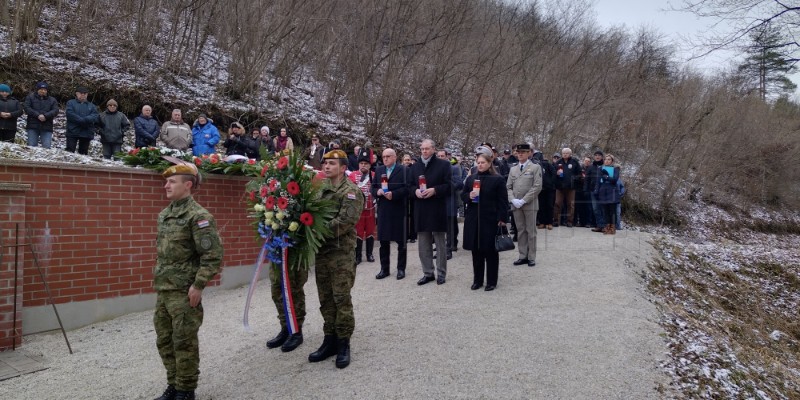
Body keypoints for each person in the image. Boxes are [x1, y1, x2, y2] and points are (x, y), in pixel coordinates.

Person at [152, 162, 223, 400]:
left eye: (172, 181)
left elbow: (212, 256)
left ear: (188, 185)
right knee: (164, 340)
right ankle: (173, 384)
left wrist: (198, 285)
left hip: (184, 291)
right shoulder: (165, 215)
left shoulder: (199, 217)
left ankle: (186, 389)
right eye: (167, 181)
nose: (167, 185)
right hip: (164, 289)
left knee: (184, 343)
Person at [308, 149, 364, 369]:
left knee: (341, 298)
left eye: (332, 163)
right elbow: (310, 212)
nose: (327, 166)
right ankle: (329, 339)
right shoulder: (320, 190)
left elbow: (344, 222)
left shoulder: (351, 192)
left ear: (343, 167)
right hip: (322, 253)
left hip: (340, 255)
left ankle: (343, 343)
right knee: (325, 299)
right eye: (325, 163)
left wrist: (314, 229)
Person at [462, 153, 509, 291]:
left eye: (483, 162)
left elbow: (503, 201)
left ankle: (492, 281)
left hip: (490, 219)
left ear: (490, 163)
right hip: (473, 219)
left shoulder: (498, 179)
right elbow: (463, 195)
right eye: (478, 162)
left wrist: (502, 219)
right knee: (475, 251)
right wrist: (468, 196)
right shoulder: (471, 178)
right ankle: (477, 280)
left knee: (490, 251)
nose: (480, 165)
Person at [410, 139, 451, 286]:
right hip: (421, 208)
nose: (424, 152)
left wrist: (435, 190)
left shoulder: (444, 165)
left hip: (437, 207)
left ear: (433, 149)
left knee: (439, 243)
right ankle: (427, 273)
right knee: (423, 244)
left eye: (427, 149)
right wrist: (415, 191)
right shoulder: (415, 167)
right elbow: (409, 186)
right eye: (422, 149)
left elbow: (449, 186)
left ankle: (441, 272)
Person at [371, 148, 410, 280]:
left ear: (395, 157)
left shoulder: (404, 170)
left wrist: (394, 194)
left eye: (388, 156)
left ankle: (401, 269)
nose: (385, 158)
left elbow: (408, 188)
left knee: (401, 242)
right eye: (383, 156)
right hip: (384, 210)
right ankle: (384, 269)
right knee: (384, 242)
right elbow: (373, 187)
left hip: (398, 209)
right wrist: (378, 192)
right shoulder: (379, 170)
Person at [506, 144, 542, 267]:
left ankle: (531, 256)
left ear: (529, 153)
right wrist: (513, 200)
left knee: (531, 231)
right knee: (521, 230)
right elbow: (508, 187)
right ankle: (522, 255)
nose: (520, 154)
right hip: (516, 205)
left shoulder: (535, 167)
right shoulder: (513, 169)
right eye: (518, 152)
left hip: (530, 204)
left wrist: (524, 200)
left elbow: (537, 186)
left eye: (523, 152)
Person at [350, 156, 376, 264]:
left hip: (370, 208)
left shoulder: (374, 175)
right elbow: (350, 190)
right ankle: (358, 255)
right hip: (358, 209)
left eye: (366, 163)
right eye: (361, 163)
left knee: (370, 231)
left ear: (370, 165)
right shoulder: (353, 175)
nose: (363, 165)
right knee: (358, 232)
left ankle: (369, 254)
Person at [437, 149, 463, 258]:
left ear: (447, 157)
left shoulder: (454, 168)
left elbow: (458, 184)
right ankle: (441, 247)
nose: (440, 158)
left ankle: (449, 247)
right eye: (438, 156)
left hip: (449, 199)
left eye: (442, 156)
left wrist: (445, 187)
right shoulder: (434, 169)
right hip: (437, 201)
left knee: (450, 225)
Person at [65, 86, 99, 155]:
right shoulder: (70, 103)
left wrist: (85, 119)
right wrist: (80, 120)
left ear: (87, 95)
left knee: (83, 153)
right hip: (72, 131)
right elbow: (70, 113)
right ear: (77, 94)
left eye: (85, 93)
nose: (83, 95)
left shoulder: (92, 106)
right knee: (69, 151)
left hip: (86, 132)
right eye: (81, 93)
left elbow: (95, 116)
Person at [23, 81, 59, 148]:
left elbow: (55, 110)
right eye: (41, 89)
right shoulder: (30, 98)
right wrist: (37, 115)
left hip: (47, 126)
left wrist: (45, 116)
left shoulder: (52, 100)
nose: (43, 91)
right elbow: (27, 108)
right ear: (37, 90)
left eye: (45, 90)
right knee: (31, 146)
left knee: (47, 147)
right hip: (32, 125)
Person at [552, 148, 582, 227]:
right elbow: (553, 174)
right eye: (563, 153)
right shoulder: (558, 162)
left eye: (566, 153)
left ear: (570, 154)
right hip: (560, 187)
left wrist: (574, 178)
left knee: (570, 204)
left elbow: (580, 174)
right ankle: (555, 220)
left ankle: (570, 221)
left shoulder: (574, 162)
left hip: (571, 187)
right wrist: (557, 174)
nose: (565, 154)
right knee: (557, 203)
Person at [595, 154, 621, 235]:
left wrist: (606, 176)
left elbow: (614, 180)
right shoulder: (600, 169)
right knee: (605, 210)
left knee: (612, 210)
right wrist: (597, 190)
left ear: (612, 161)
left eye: (609, 159)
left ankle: (613, 227)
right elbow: (598, 181)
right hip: (603, 190)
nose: (607, 161)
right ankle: (607, 226)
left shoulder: (615, 169)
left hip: (612, 190)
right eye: (606, 159)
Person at [533, 150, 556, 230]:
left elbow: (553, 175)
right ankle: (542, 222)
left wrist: (550, 185)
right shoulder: (536, 166)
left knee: (549, 206)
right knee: (541, 206)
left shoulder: (548, 165)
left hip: (549, 189)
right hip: (540, 189)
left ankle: (549, 222)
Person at [585, 150, 607, 232]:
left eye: (599, 155)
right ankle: (599, 225)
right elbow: (587, 179)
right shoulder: (590, 167)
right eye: (596, 155)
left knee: (603, 208)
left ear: (602, 157)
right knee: (595, 209)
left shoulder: (605, 166)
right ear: (594, 157)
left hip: (603, 191)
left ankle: (605, 226)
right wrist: (586, 190)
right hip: (592, 190)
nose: (597, 156)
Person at [402, 154, 417, 243]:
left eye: (408, 159)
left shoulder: (414, 169)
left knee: (413, 215)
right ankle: (405, 235)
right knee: (404, 215)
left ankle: (413, 236)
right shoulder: (400, 169)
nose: (407, 161)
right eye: (405, 159)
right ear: (402, 161)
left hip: (412, 194)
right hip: (403, 195)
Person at [574, 156, 592, 227]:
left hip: (588, 190)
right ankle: (581, 222)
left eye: (588, 161)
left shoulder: (591, 169)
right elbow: (575, 177)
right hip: (579, 189)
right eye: (585, 161)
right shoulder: (580, 168)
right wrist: (580, 178)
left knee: (588, 207)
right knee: (579, 206)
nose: (587, 162)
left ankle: (588, 222)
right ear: (583, 161)